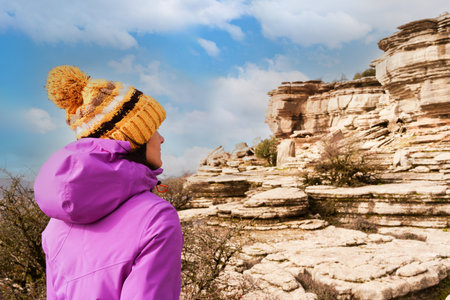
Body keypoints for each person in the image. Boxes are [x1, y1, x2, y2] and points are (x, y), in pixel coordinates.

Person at [34, 65, 183, 299]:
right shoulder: (156, 217)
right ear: (135, 137)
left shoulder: (56, 224)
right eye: (154, 129)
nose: (162, 139)